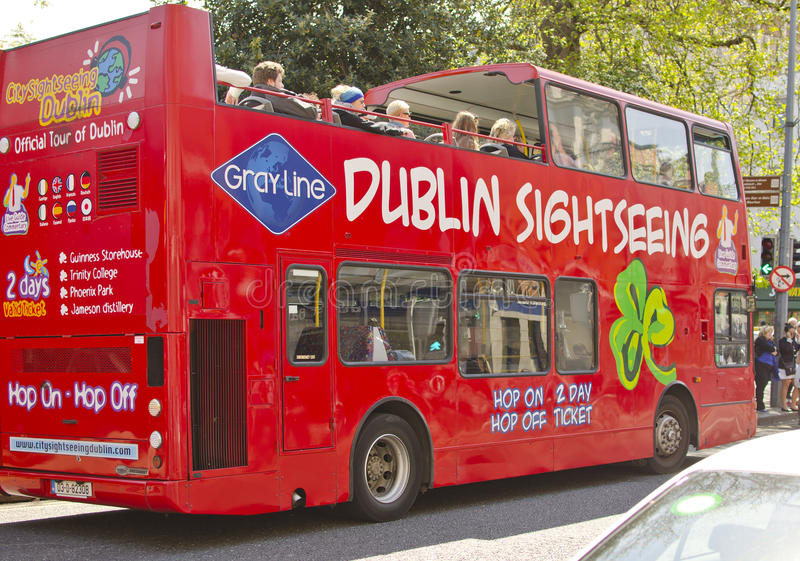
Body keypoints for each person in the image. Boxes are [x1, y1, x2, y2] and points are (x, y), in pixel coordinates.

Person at [247, 60, 316, 119]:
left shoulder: (248, 101)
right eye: (280, 81)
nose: (282, 85)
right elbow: (311, 112)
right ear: (270, 82)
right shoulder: (272, 96)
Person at [333, 87, 405, 136]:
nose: (364, 105)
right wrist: (399, 130)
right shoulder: (346, 116)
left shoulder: (340, 113)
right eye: (361, 102)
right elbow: (371, 126)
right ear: (349, 103)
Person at [754, 325, 778, 411]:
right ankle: (759, 405)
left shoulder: (770, 341)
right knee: (760, 385)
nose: (770, 334)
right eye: (769, 332)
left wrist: (773, 350)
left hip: (768, 366)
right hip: (761, 366)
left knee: (763, 385)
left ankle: (759, 403)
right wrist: (772, 350)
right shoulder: (761, 340)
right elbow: (771, 349)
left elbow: (775, 351)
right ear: (764, 333)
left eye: (771, 333)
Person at [777, 322, 798, 411]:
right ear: (787, 332)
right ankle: (784, 405)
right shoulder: (782, 341)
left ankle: (793, 404)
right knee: (785, 385)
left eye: (793, 333)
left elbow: (796, 349)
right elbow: (787, 350)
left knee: (797, 385)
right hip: (785, 365)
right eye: (790, 333)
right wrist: (789, 339)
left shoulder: (795, 341)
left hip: (794, 365)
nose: (792, 335)